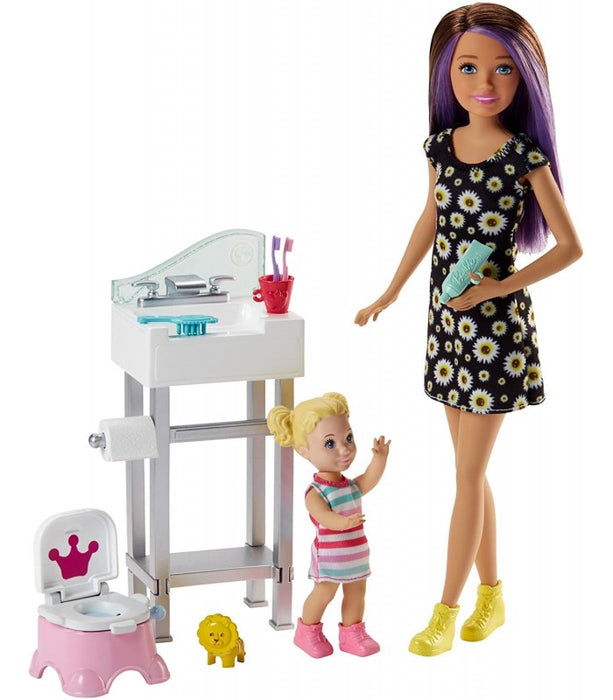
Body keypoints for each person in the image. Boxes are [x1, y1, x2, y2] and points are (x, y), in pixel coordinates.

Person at [354, 2, 582, 656]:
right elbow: (429, 219)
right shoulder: (439, 147)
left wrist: (497, 287)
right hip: (446, 326)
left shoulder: (523, 156)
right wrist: (392, 290)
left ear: (524, 78)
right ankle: (492, 596)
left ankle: (445, 612)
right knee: (470, 474)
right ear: (444, 74)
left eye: (503, 69)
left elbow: (570, 247)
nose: (485, 82)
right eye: (468, 67)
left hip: (494, 334)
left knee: (464, 476)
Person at [267, 392, 390, 658]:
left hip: (356, 556)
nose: (345, 449)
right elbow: (322, 515)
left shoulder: (350, 486)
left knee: (356, 594)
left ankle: (352, 633)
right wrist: (344, 522)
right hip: (331, 560)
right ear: (305, 451)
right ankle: (307, 632)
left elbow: (368, 479)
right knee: (324, 594)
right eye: (330, 444)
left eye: (348, 438)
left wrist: (379, 459)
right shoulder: (316, 491)